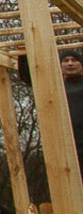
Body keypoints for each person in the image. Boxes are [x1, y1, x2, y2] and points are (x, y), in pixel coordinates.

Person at [18, 49, 83, 177]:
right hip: (66, 143)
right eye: (65, 61)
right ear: (60, 66)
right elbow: (30, 78)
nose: (70, 63)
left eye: (74, 60)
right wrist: (23, 55)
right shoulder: (55, 85)